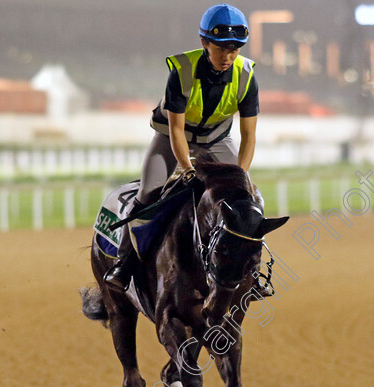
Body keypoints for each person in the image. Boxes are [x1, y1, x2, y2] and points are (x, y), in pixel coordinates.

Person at [104, 3, 259, 291]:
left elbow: (248, 136)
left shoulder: (247, 75)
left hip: (216, 139)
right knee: (148, 192)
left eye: (235, 48)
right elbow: (176, 130)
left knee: (248, 200)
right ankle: (124, 263)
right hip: (172, 136)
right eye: (221, 48)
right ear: (204, 43)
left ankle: (252, 269)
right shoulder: (181, 71)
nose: (228, 56)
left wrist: (241, 176)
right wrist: (187, 169)